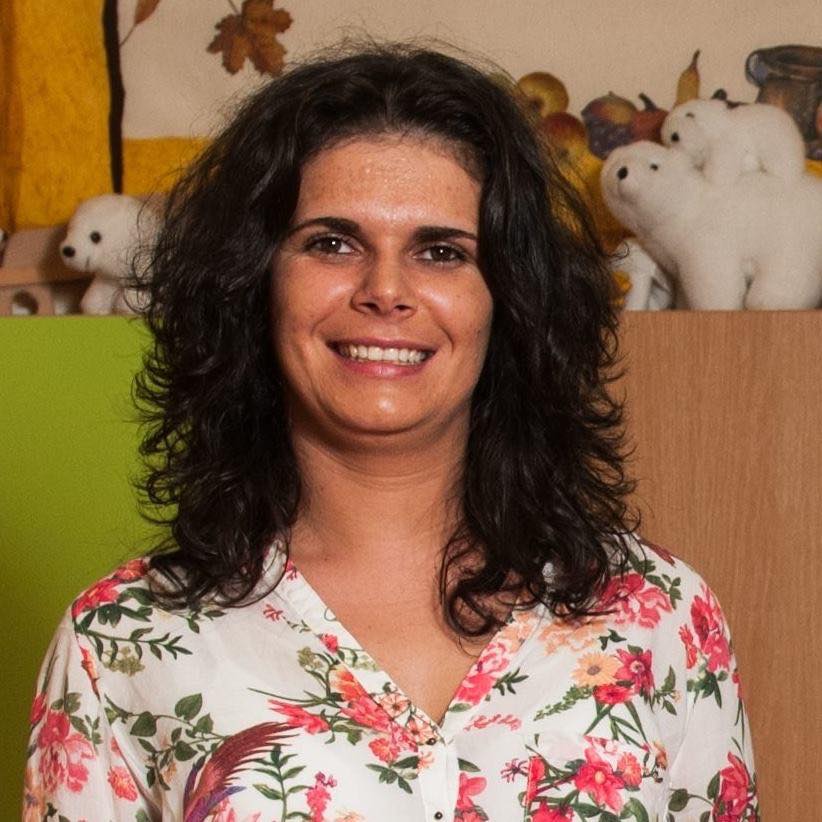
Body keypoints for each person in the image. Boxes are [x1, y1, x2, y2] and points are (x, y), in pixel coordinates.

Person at [22, 41, 759, 821]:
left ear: (509, 299)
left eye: (441, 252)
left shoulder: (664, 618)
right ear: (254, 282)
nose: (384, 290)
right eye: (332, 243)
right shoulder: (119, 643)